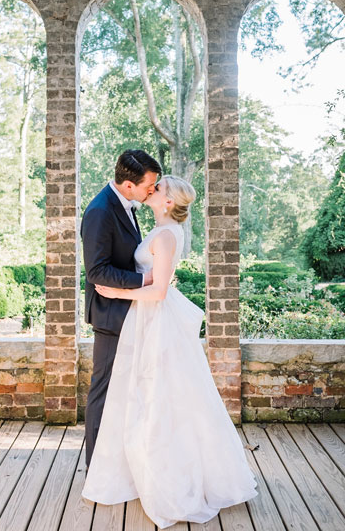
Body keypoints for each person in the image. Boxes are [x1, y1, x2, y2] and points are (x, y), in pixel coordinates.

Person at [81, 174, 258, 529]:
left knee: (158, 396)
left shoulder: (164, 236)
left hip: (155, 317)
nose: (152, 189)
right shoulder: (163, 230)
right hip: (146, 319)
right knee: (150, 394)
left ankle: (167, 477)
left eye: (158, 188)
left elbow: (159, 291)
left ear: (167, 201)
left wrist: (118, 294)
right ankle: (137, 468)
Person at [80, 149, 162, 474]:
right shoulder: (100, 211)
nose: (152, 191)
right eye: (149, 185)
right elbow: (97, 271)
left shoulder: (126, 206)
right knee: (103, 387)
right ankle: (95, 467)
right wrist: (145, 279)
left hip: (128, 310)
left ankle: (118, 459)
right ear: (129, 185)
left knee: (126, 389)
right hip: (110, 313)